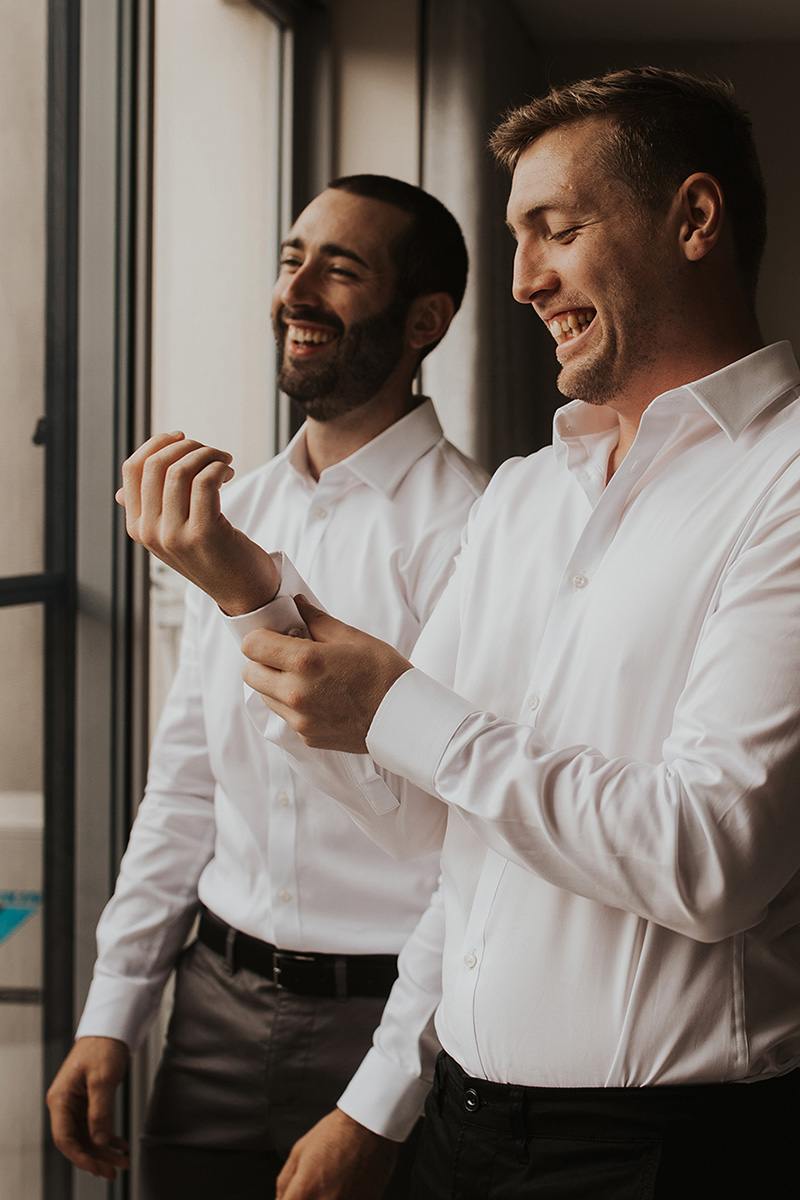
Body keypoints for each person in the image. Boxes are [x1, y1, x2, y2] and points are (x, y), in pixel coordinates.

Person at [216, 69, 800, 1196]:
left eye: (555, 230)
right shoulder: (528, 493)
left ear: (691, 219)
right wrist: (264, 612)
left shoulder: (785, 484)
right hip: (459, 1127)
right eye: (516, 238)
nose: (524, 281)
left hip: (666, 1158)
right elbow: (436, 832)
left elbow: (714, 857)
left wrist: (395, 710)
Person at [46, 174, 487, 1200]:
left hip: (391, 1018)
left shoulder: (476, 532)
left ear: (424, 318)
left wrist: (379, 1098)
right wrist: (114, 1007)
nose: (297, 289)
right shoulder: (228, 510)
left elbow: (468, 848)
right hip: (208, 1008)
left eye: (340, 268)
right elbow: (186, 786)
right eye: (291, 260)